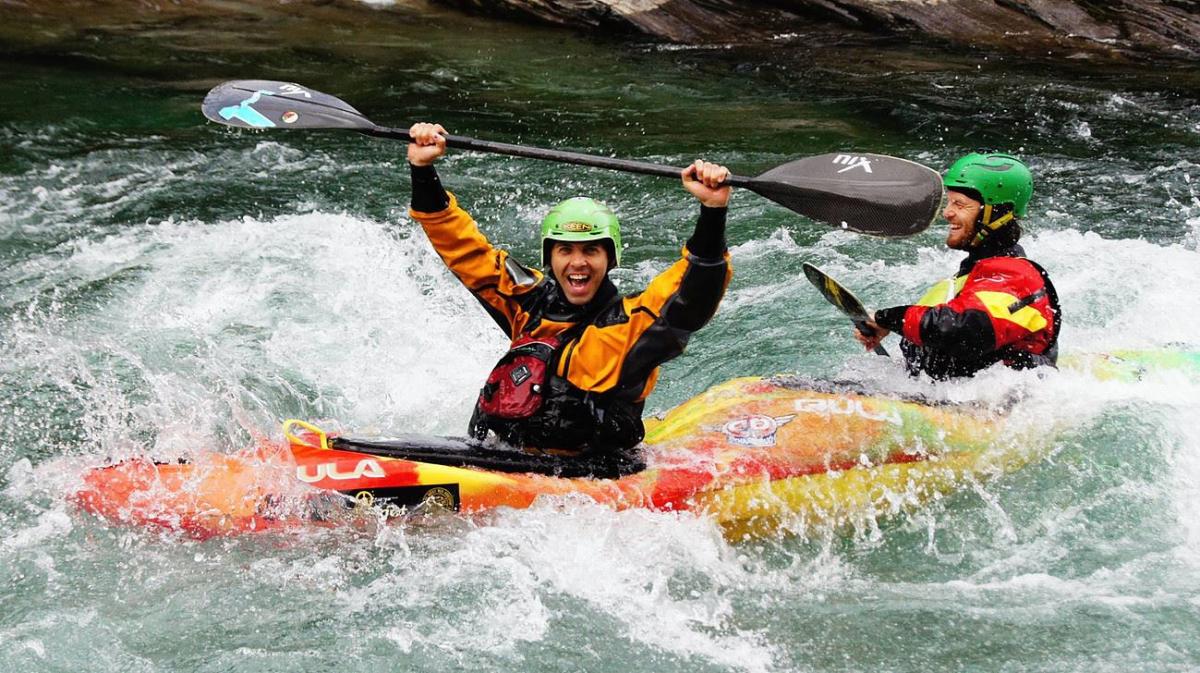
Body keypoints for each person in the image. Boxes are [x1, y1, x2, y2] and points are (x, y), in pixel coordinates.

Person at [406, 123, 732, 471]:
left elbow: (691, 296)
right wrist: (423, 169)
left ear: (610, 259)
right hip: (502, 458)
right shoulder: (527, 301)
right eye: (565, 250)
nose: (577, 263)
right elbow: (464, 250)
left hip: (592, 478)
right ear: (550, 257)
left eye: (591, 250)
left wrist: (713, 212)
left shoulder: (631, 325)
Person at [854, 153, 1061, 380]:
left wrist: (888, 318)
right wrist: (889, 327)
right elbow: (938, 323)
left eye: (960, 204)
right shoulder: (976, 272)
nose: (946, 212)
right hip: (948, 394)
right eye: (949, 202)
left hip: (998, 405)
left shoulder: (1017, 277)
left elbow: (961, 331)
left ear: (996, 213)